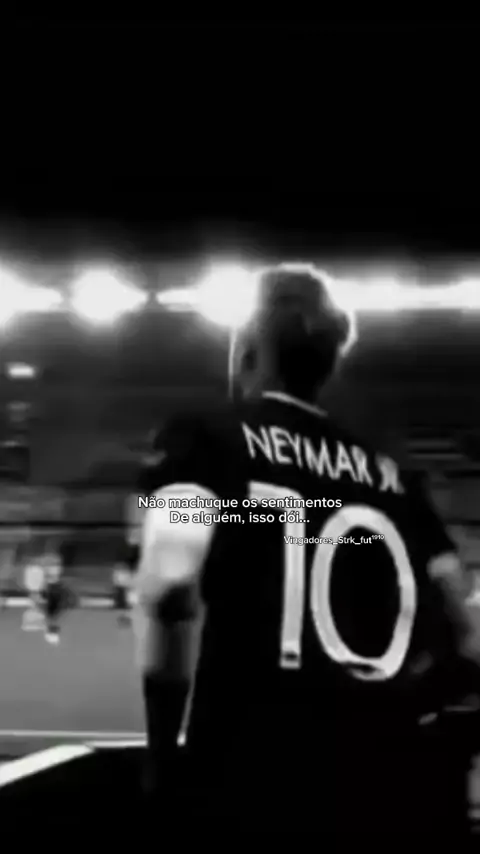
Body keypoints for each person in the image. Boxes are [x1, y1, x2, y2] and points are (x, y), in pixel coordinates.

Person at [133, 264, 480, 841]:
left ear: (247, 349)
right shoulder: (396, 477)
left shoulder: (206, 438)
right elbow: (467, 640)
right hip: (386, 793)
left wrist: (163, 755)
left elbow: (170, 581)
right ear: (327, 364)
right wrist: (402, 715)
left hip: (251, 785)